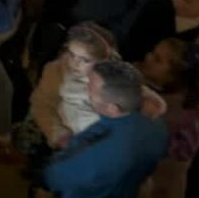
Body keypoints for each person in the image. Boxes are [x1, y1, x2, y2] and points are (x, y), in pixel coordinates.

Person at [43, 61, 168, 198]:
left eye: (91, 89)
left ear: (112, 108)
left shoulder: (100, 150)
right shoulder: (159, 127)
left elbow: (54, 177)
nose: (86, 90)